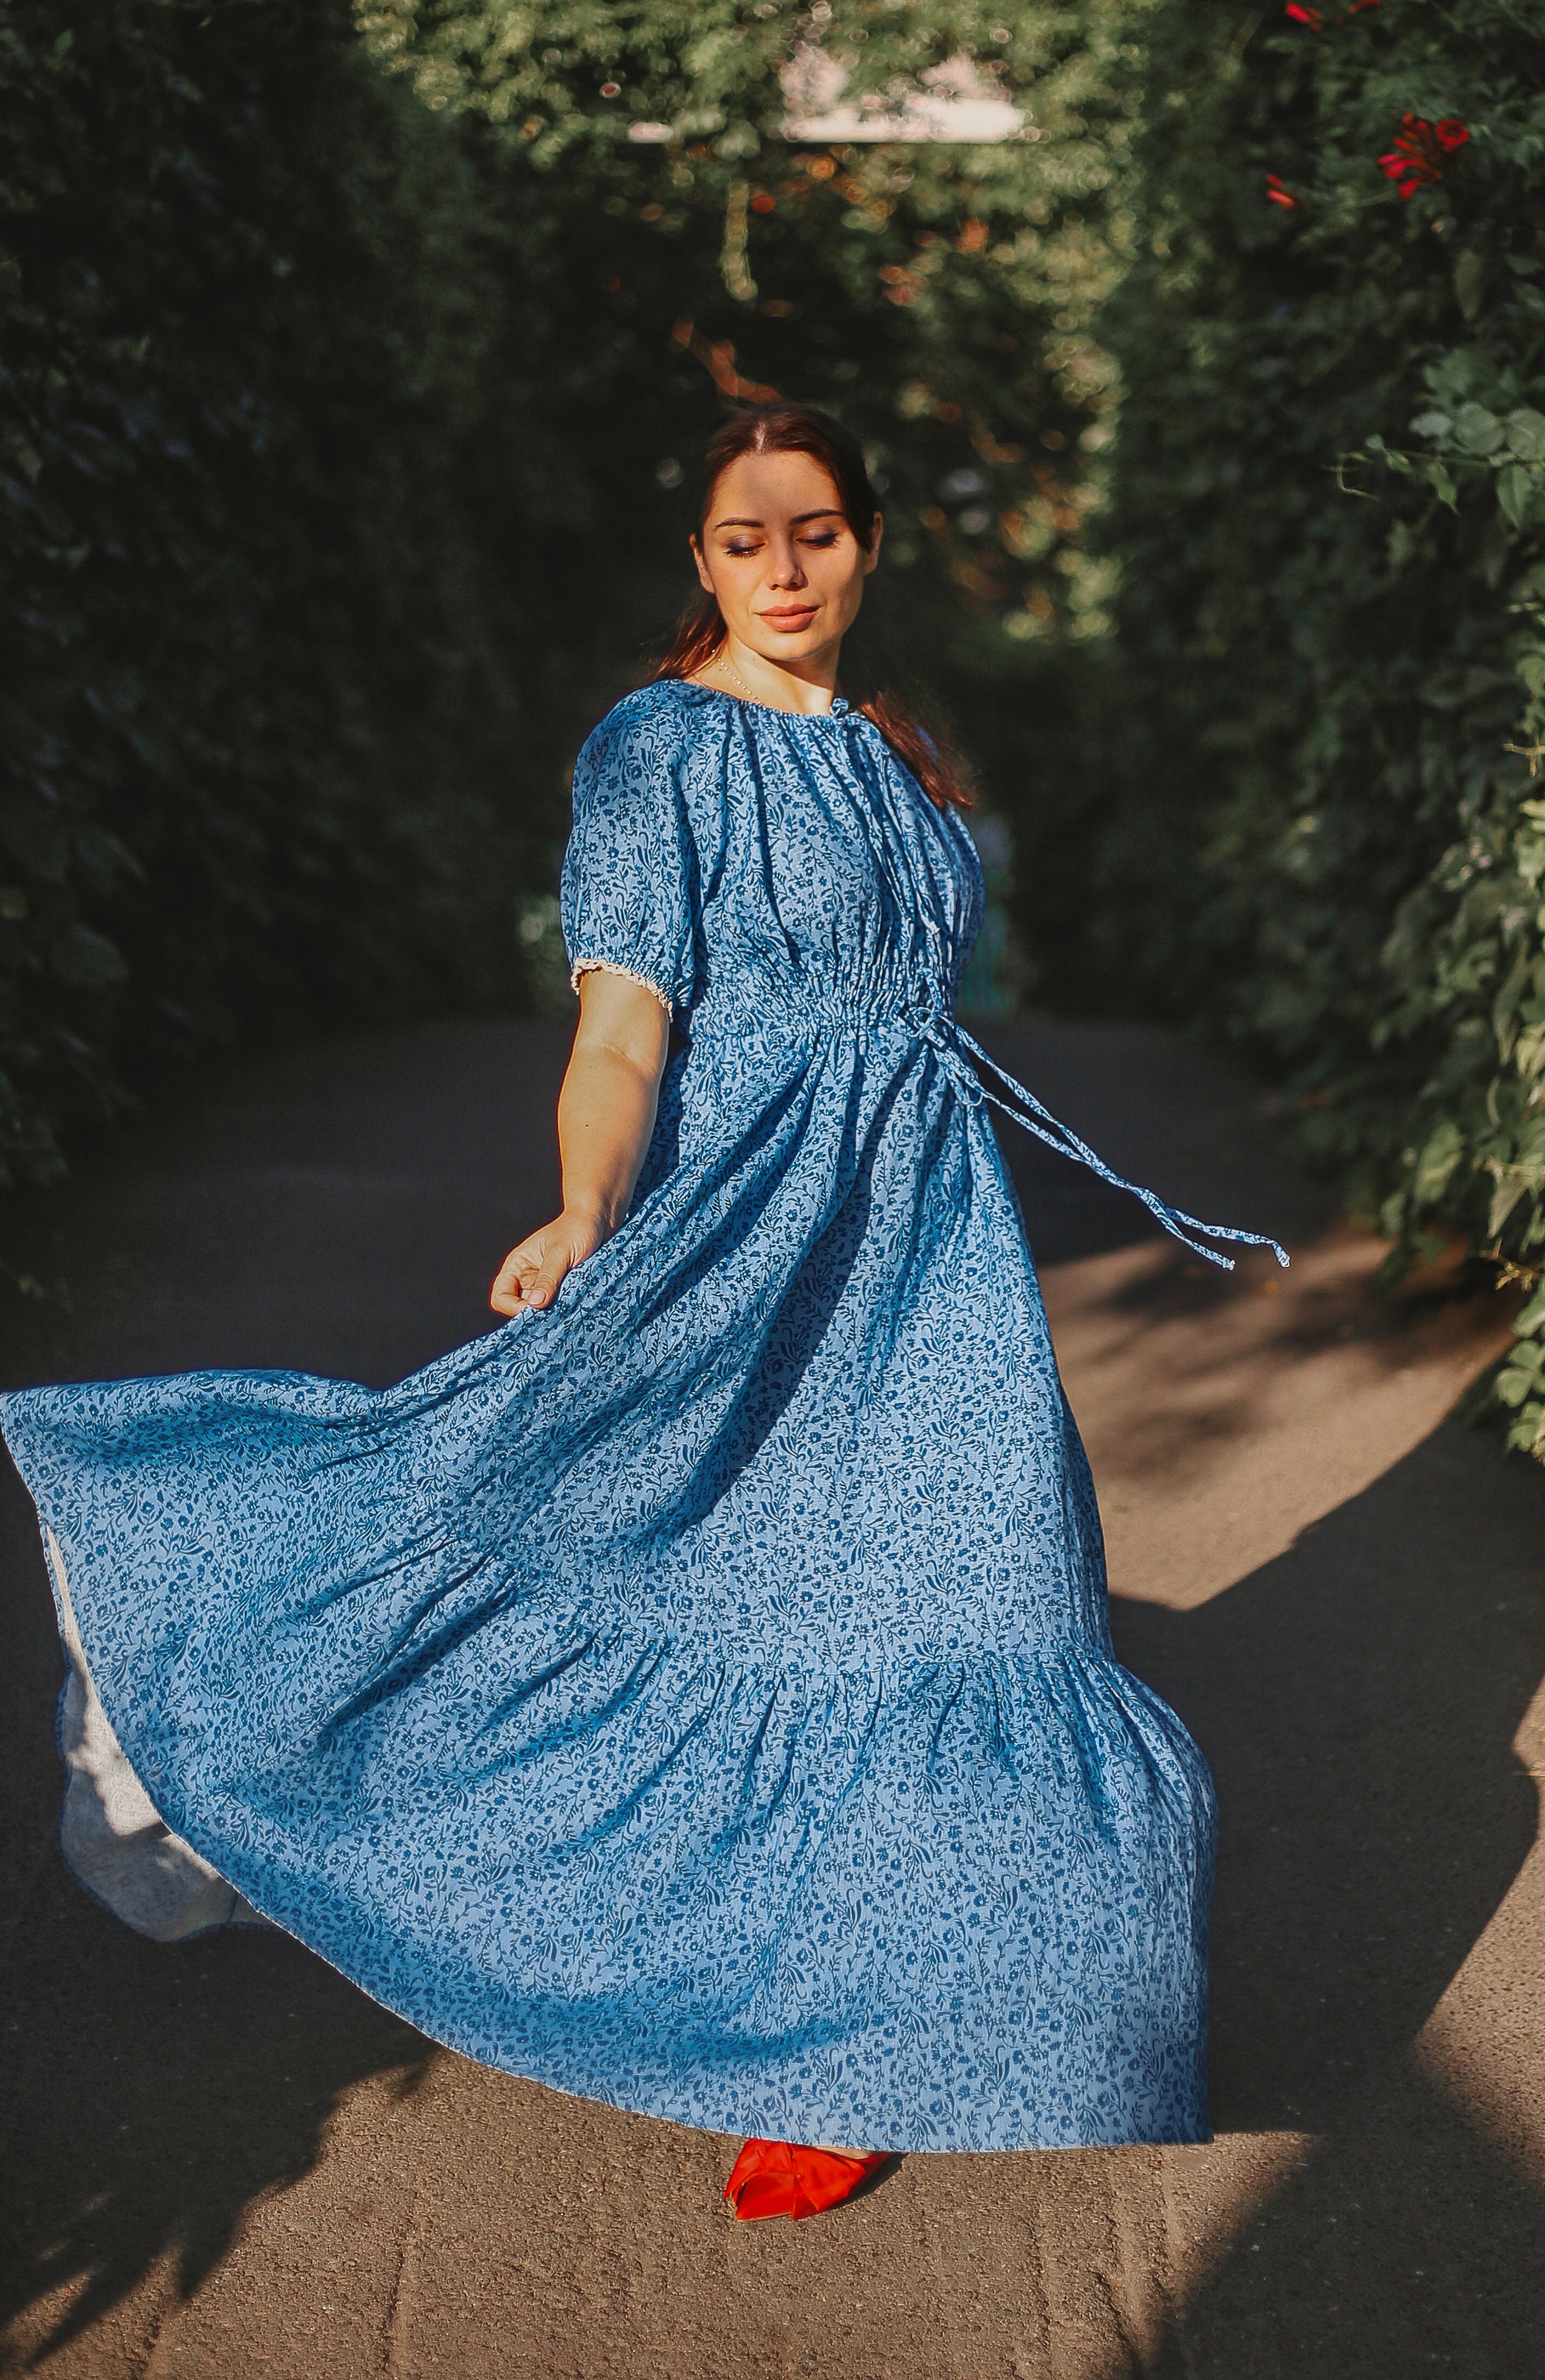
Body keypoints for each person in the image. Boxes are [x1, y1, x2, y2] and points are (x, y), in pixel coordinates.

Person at [2, 403, 1284, 2225]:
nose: (782, 567)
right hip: (740, 1233)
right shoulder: (656, 749)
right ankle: (774, 2020)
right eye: (745, 537)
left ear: (866, 545)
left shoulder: (896, 754)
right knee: (657, 1572)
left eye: (817, 531)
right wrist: (587, 1204)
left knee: (985, 1611)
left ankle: (896, 2029)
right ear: (700, 558)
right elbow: (620, 1025)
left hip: (930, 1252)